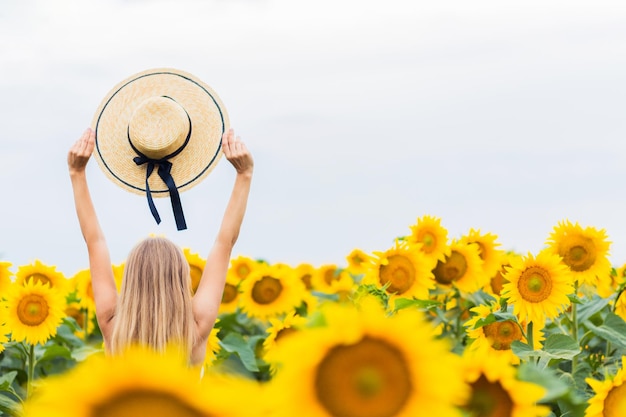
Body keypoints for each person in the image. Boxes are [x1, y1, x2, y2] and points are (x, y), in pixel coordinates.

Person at [67, 127, 254, 366]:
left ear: (131, 279)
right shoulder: (195, 330)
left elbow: (95, 242)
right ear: (180, 277)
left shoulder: (113, 327)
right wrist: (244, 174)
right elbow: (224, 243)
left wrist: (77, 172)